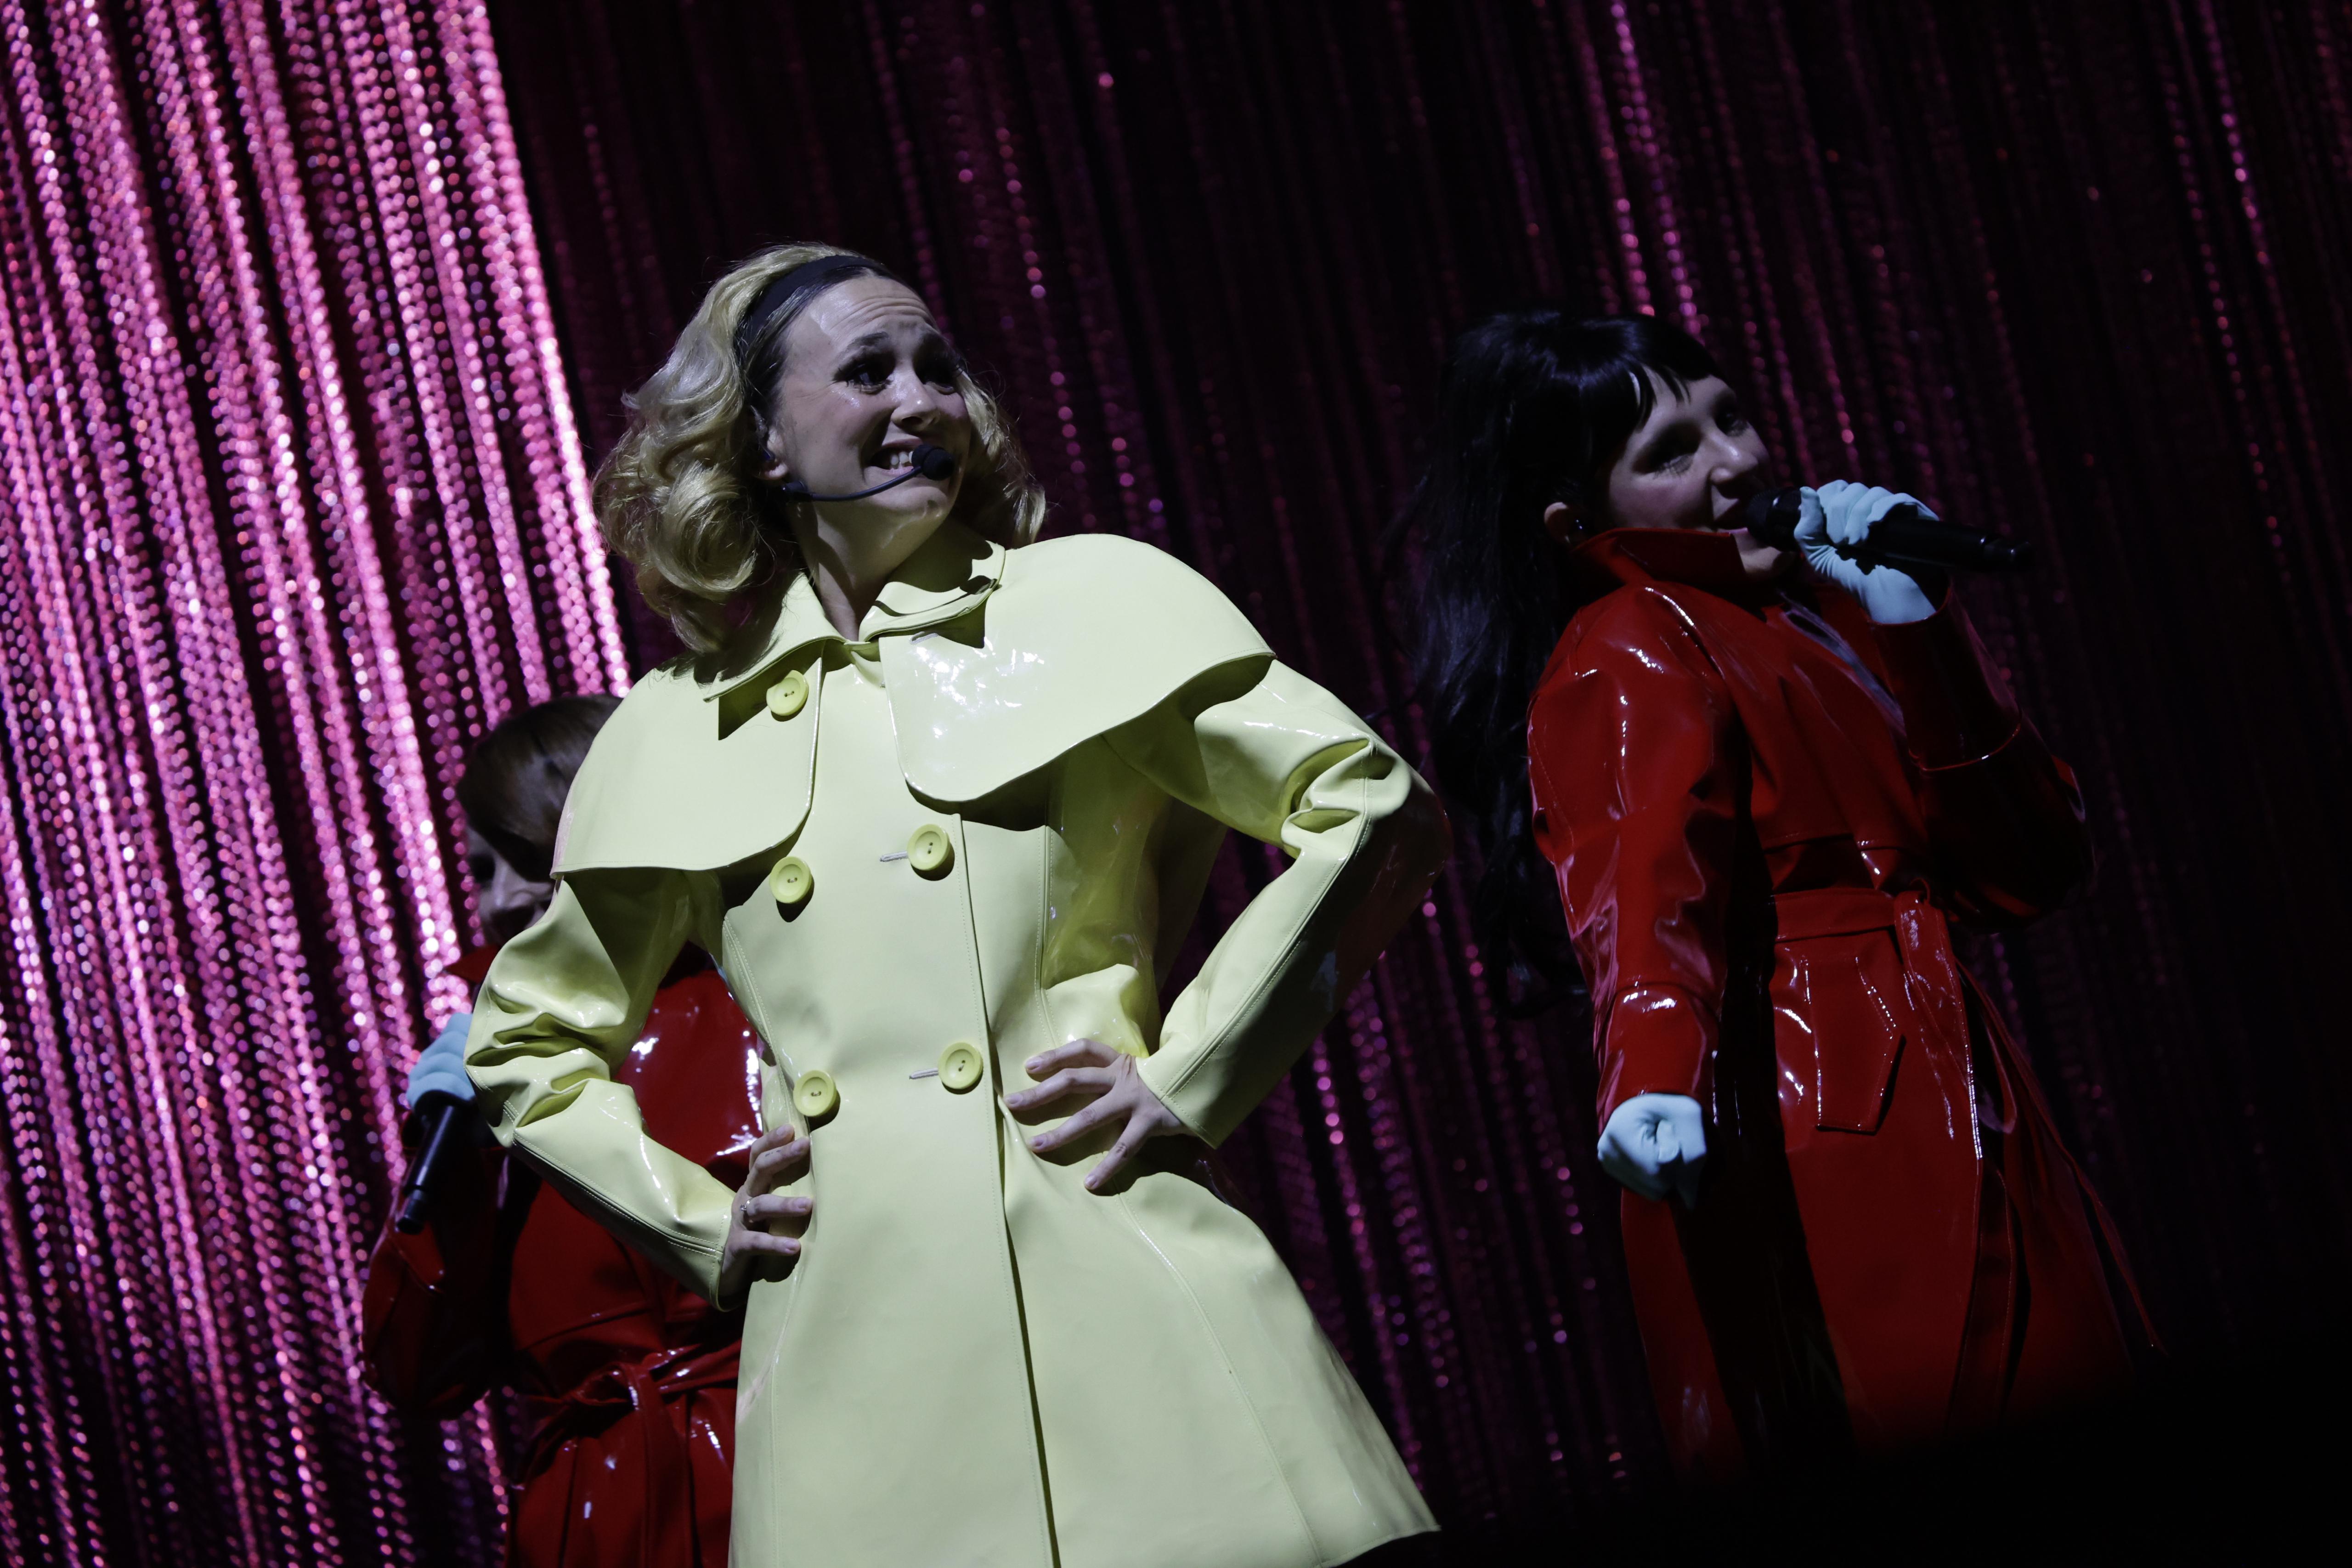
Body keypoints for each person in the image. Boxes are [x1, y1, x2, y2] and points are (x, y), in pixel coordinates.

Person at [460, 244, 1448, 1567]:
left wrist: (1188, 1075)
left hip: (1114, 1259)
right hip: (853, 1352)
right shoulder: (677, 726)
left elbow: (1371, 804)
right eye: (868, 371)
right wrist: (701, 1224)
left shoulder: (1091, 603)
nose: (921, 399)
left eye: (937, 366)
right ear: (759, 440)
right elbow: (526, 1041)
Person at [1408, 309, 2143, 1479]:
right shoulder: (1631, 636)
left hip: (1953, 1070)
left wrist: (1914, 620)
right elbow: (1641, 879)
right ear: (1571, 521)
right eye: (1671, 451)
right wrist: (1651, 1068)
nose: (1737, 461)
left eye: (1732, 417)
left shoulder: (1812, 621)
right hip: (1815, 1104)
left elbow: (2031, 868)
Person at [363, 695, 764, 1567]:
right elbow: (416, 1372)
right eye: (481, 870)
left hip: (784, 1471)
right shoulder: (480, 1084)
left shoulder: (764, 1001)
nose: (503, 899)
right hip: (595, 1522)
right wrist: (453, 1167)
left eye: (530, 854)